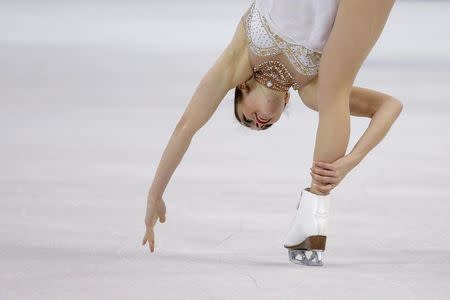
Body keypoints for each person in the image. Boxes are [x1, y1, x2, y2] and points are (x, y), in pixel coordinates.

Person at [142, 0, 402, 264]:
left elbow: (186, 127)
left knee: (332, 92)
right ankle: (313, 220)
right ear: (286, 103)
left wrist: (155, 194)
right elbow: (390, 106)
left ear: (242, 88)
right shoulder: (312, 89)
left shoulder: (240, 59)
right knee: (333, 93)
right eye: (264, 127)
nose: (259, 123)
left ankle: (311, 224)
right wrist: (350, 161)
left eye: (246, 119)